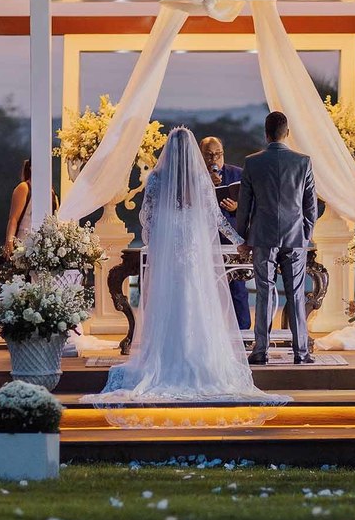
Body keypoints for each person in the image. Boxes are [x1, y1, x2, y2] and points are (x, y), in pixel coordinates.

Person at [83, 128, 286, 405]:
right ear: (192, 153)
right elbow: (217, 219)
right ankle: (197, 359)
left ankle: (166, 359)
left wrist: (156, 245)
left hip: (169, 250)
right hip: (192, 250)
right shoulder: (200, 180)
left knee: (168, 302)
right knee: (196, 300)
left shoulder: (156, 178)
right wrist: (240, 241)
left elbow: (148, 219)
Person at [237, 112, 318, 366]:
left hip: (262, 236)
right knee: (295, 294)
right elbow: (311, 207)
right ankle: (301, 352)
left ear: (266, 133)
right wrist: (305, 234)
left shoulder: (252, 163)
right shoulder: (303, 162)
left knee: (264, 292)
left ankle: (260, 350)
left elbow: (244, 206)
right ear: (287, 132)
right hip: (295, 237)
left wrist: (243, 238)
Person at [201, 135, 250, 331]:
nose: (214, 160)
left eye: (218, 154)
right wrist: (207, 185)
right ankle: (210, 333)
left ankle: (243, 331)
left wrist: (237, 207)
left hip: (232, 239)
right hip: (204, 239)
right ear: (201, 156)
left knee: (237, 287)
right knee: (205, 289)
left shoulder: (238, 174)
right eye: (209, 155)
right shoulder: (195, 176)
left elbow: (253, 205)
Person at [4, 159, 58, 258]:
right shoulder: (24, 188)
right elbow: (14, 219)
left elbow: (55, 220)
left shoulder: (51, 193)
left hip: (45, 249)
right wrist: (9, 242)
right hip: (22, 246)